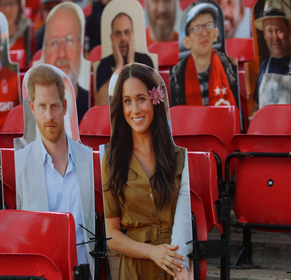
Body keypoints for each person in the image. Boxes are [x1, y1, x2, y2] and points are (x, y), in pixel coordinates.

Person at [102, 63, 192, 280]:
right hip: (133, 270)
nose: (135, 110)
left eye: (141, 98)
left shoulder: (180, 157)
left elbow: (184, 217)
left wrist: (180, 265)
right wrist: (152, 252)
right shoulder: (112, 160)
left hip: (173, 265)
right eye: (127, 101)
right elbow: (112, 235)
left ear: (155, 100)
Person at [15, 64, 95, 279]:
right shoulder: (18, 164)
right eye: (42, 106)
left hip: (86, 273)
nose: (49, 115)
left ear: (65, 106)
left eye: (54, 106)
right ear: (32, 107)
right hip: (41, 275)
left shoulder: (90, 159)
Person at [170, 3, 238, 107]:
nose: (204, 33)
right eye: (197, 28)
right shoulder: (178, 74)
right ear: (187, 42)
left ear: (215, 34)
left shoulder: (227, 65)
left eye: (209, 26)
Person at [252, 0, 291, 109]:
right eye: (269, 31)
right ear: (264, 35)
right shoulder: (264, 66)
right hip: (268, 126)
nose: (275, 37)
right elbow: (257, 106)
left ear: (288, 30)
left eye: (279, 30)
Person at [95, 12, 154, 106]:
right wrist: (119, 65)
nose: (123, 38)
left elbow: (152, 100)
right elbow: (101, 104)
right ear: (112, 38)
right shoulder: (104, 64)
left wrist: (131, 64)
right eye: (118, 34)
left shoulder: (145, 61)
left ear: (132, 34)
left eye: (126, 32)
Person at [43, 2, 88, 123]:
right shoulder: (27, 115)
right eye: (54, 42)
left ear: (80, 48)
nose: (61, 53)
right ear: (44, 52)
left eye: (69, 40)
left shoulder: (94, 107)